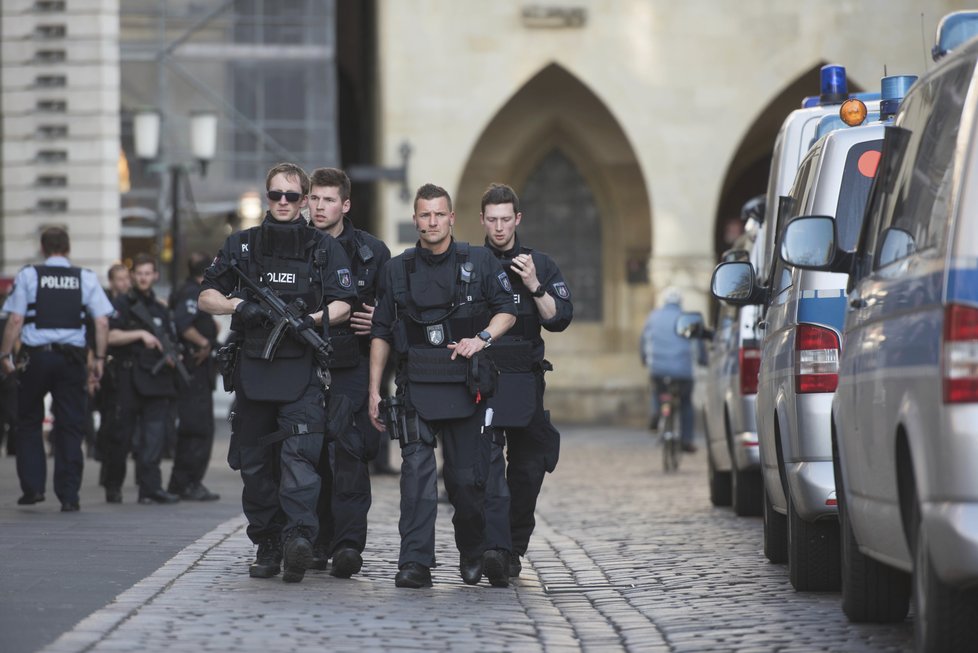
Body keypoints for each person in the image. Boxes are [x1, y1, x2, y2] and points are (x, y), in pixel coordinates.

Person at [199, 162, 356, 584]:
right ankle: (267, 542)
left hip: (302, 372)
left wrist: (313, 318)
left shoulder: (322, 248)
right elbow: (206, 295)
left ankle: (299, 539)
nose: (282, 203)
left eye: (291, 196)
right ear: (267, 196)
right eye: (275, 195)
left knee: (300, 459)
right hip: (254, 370)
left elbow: (346, 300)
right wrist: (238, 305)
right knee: (255, 465)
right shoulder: (242, 245)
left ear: (305, 200)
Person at [368, 183, 517, 589]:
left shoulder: (481, 261)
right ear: (415, 219)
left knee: (467, 482)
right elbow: (381, 331)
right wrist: (374, 390)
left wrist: (481, 339)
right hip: (416, 385)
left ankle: (472, 551)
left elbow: (508, 311)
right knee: (415, 475)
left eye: (439, 214)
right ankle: (415, 562)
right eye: (424, 215)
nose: (431, 221)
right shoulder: (396, 269)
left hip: (467, 388)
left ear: (451, 217)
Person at [479, 183, 573, 578]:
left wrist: (534, 284)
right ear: (482, 220)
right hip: (482, 382)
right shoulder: (471, 263)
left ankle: (513, 546)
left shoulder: (541, 264)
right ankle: (493, 549)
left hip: (526, 383)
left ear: (517, 219)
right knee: (482, 471)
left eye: (506, 219)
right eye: (492, 220)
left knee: (527, 469)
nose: (499, 228)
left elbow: (559, 319)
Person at [306, 167, 391, 578]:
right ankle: (315, 540)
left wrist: (379, 320)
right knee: (309, 455)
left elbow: (394, 315)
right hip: (302, 367)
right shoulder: (295, 245)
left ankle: (347, 545)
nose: (319, 207)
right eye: (314, 198)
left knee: (350, 454)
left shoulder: (373, 252)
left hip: (353, 364)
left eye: (327, 199)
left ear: (345, 204)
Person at [0, 227, 112, 511]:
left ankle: (33, 488)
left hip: (35, 359)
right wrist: (98, 358)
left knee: (27, 422)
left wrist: (4, 354)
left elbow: (15, 319)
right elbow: (101, 322)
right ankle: (69, 495)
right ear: (68, 248)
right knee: (71, 426)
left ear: (43, 247)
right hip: (71, 361)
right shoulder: (84, 277)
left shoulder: (29, 275)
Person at [101, 254, 182, 504]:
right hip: (128, 377)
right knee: (121, 437)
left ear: (155, 276)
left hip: (157, 380)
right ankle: (113, 485)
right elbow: (110, 337)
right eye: (140, 273)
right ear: (133, 275)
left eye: (148, 273)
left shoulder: (160, 308)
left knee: (154, 438)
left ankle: (150, 488)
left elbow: (172, 340)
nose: (144, 277)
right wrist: (139, 335)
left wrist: (172, 356)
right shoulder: (123, 303)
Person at [167, 252, 221, 502]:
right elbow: (183, 323)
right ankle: (188, 482)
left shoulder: (187, 290)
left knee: (195, 426)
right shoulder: (192, 292)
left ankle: (182, 481)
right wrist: (203, 342)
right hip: (193, 369)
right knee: (198, 428)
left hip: (195, 370)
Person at [640, 287, 697, 453]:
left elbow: (643, 341)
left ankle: (657, 412)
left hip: (658, 370)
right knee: (686, 403)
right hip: (683, 372)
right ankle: (686, 440)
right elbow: (698, 346)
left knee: (656, 390)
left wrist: (644, 359)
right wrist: (702, 360)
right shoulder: (687, 318)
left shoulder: (653, 317)